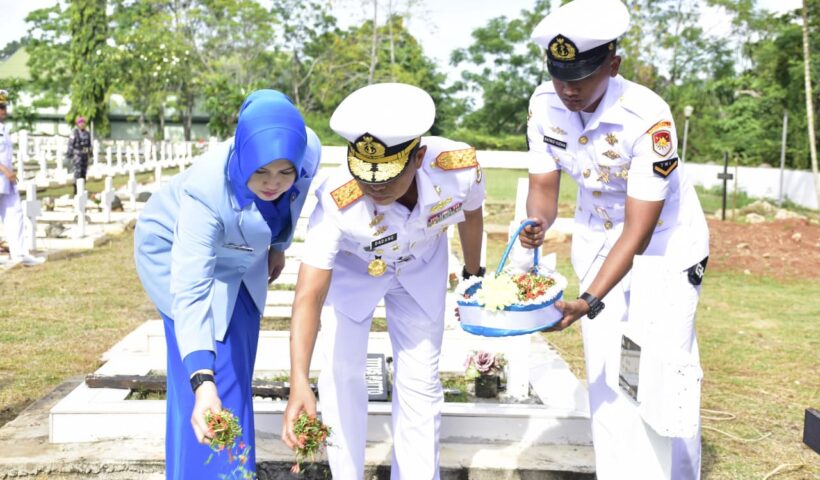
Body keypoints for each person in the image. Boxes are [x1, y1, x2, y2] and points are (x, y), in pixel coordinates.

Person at [520, 0, 709, 478]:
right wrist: (537, 223)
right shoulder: (544, 105)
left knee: (665, 371)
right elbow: (543, 189)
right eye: (560, 77)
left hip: (663, 246)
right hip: (595, 237)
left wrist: (588, 299)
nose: (569, 90)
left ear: (613, 65)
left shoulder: (647, 116)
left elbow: (639, 231)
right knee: (605, 372)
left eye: (582, 78)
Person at [282, 83, 485, 479]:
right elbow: (307, 296)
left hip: (421, 267)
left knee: (421, 382)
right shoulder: (337, 199)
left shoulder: (457, 169)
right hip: (355, 272)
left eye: (387, 178)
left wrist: (474, 275)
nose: (375, 188)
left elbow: (471, 213)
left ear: (418, 158)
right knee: (341, 376)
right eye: (366, 178)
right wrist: (298, 381)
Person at [134, 90, 321, 479]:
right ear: (243, 157)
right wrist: (203, 381)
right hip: (175, 252)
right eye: (261, 172)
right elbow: (192, 292)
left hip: (242, 252)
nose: (273, 184)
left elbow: (294, 199)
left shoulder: (308, 151)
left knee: (238, 364)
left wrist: (278, 246)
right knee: (211, 378)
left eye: (284, 172)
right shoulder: (206, 193)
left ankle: (235, 469)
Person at [0, 89, 45, 266]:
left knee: (15, 214)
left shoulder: (4, 129)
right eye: (1, 107)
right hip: (4, 176)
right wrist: (5, 171)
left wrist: (9, 173)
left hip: (7, 180)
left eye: (4, 107)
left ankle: (19, 254)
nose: (4, 110)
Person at [66, 116, 91, 194]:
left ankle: (82, 188)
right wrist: (69, 155)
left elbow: (89, 145)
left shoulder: (87, 133)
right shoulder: (75, 133)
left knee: (84, 173)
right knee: (77, 173)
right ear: (78, 124)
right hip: (77, 156)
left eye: (83, 123)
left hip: (84, 155)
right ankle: (76, 190)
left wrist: (90, 154)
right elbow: (70, 144)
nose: (82, 124)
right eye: (80, 123)